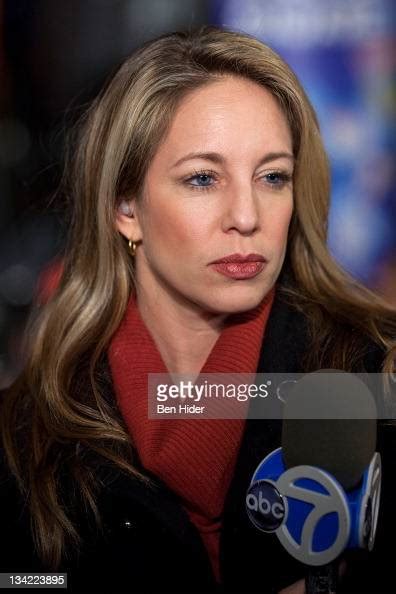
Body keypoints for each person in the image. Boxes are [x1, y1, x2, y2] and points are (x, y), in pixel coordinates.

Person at [0, 26, 395, 594]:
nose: (246, 214)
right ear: (125, 207)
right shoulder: (28, 434)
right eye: (203, 178)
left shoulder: (376, 379)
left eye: (273, 176)